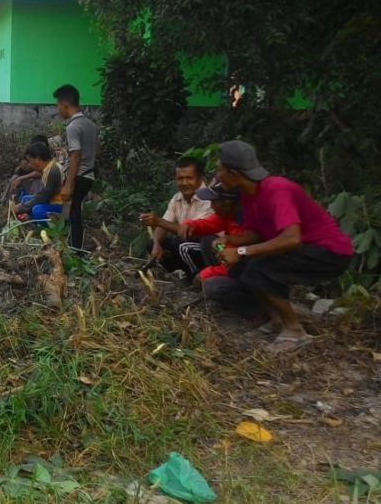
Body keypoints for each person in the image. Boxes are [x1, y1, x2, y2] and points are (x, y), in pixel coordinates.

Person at [206, 140, 354, 353]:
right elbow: (257, 233)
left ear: (233, 172)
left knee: (260, 269)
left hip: (329, 251)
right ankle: (277, 320)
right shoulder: (249, 195)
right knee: (244, 268)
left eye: (219, 169)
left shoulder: (277, 189)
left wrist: (240, 251)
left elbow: (292, 238)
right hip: (300, 248)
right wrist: (229, 241)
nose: (217, 175)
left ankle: (295, 330)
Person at [143, 178, 244, 284]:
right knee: (207, 241)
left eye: (214, 202)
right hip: (221, 249)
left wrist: (206, 273)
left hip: (241, 266)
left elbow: (237, 257)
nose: (211, 206)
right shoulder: (227, 216)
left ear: (227, 203)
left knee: (213, 286)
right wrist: (190, 225)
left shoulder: (246, 223)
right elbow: (206, 224)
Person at [139, 157, 214, 280]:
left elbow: (191, 232)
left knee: (183, 247)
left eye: (189, 178)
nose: (184, 183)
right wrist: (157, 244)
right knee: (153, 243)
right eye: (180, 178)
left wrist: (158, 221)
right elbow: (164, 224)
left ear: (199, 178)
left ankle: (195, 278)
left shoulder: (208, 199)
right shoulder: (177, 198)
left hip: (210, 249)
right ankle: (182, 273)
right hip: (187, 245)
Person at [54, 85, 98, 251]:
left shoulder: (73, 126)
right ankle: (74, 247)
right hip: (89, 175)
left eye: (58, 105)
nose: (58, 110)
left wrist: (68, 184)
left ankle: (76, 251)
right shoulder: (90, 125)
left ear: (65, 104)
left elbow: (75, 155)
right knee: (74, 212)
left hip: (79, 176)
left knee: (74, 213)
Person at [13, 142, 64, 222]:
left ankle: (58, 222)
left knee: (37, 210)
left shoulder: (53, 171)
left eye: (30, 161)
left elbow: (43, 197)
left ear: (38, 159)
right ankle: (31, 216)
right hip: (52, 201)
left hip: (61, 205)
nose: (29, 165)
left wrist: (21, 208)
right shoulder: (48, 168)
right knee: (25, 199)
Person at [8, 134, 51, 201]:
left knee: (37, 182)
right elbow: (21, 167)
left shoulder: (48, 156)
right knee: (14, 182)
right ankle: (12, 205)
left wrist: (21, 178)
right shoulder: (28, 155)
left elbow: (40, 172)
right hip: (28, 182)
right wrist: (16, 176)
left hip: (41, 183)